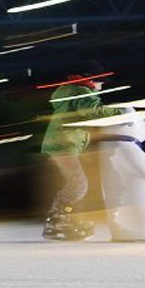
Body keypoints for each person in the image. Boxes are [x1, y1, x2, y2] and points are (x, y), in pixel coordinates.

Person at [39, 60, 122, 241]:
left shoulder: (72, 92)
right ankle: (57, 220)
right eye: (100, 82)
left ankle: (68, 218)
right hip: (63, 145)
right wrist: (120, 111)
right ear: (90, 79)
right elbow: (92, 111)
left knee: (78, 185)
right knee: (78, 185)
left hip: (62, 143)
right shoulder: (81, 92)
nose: (101, 86)